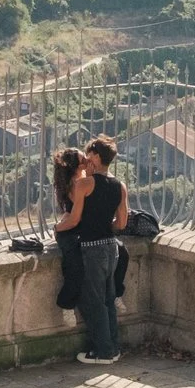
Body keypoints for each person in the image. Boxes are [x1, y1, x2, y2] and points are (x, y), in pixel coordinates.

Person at [54, 136, 127, 364]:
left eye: (89, 154)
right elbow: (122, 223)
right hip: (111, 247)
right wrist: (105, 224)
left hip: (92, 248)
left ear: (96, 156)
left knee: (93, 302)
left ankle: (103, 352)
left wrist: (57, 227)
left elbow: (74, 220)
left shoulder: (84, 184)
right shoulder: (119, 185)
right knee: (108, 299)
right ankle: (113, 348)